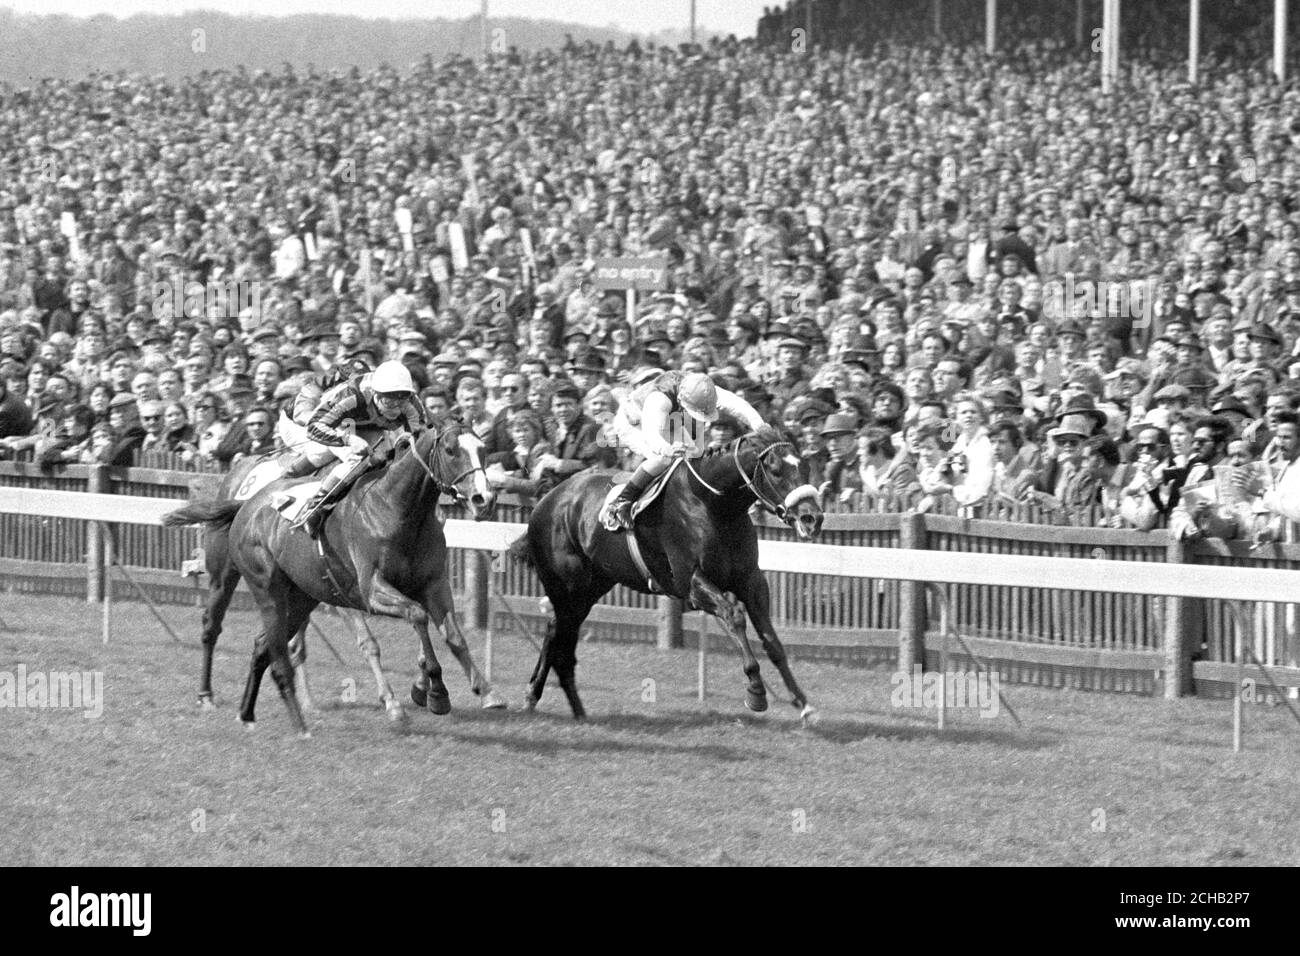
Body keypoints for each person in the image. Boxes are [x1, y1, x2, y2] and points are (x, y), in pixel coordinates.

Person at [604, 370, 765, 530]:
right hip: (633, 421)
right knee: (662, 459)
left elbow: (738, 405)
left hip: (669, 420)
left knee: (696, 454)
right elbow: (652, 435)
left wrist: (759, 425)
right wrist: (666, 448)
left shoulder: (703, 389)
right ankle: (621, 502)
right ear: (682, 400)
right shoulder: (659, 400)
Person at [290, 360, 424, 537]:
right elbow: (314, 427)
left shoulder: (412, 404)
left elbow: (419, 441)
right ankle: (314, 506)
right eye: (390, 402)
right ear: (375, 393)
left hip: (371, 424)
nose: (397, 409)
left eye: (402, 401)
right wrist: (349, 439)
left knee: (384, 458)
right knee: (356, 459)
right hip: (331, 420)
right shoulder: (352, 395)